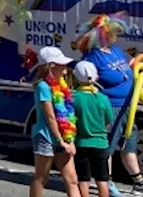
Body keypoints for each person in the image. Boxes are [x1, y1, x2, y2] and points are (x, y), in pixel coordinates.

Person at [79, 15, 143, 194]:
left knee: (128, 147)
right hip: (110, 107)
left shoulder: (115, 51)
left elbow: (125, 70)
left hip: (127, 108)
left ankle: (139, 182)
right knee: (106, 149)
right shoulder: (92, 57)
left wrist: (134, 66)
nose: (114, 36)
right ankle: (106, 182)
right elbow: (86, 80)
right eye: (110, 33)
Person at [29, 46, 81, 197]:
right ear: (51, 66)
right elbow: (50, 116)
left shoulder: (61, 85)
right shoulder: (43, 87)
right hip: (46, 137)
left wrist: (69, 140)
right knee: (41, 177)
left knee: (72, 180)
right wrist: (61, 141)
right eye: (62, 66)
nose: (65, 70)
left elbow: (67, 115)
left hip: (63, 137)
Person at [71, 61, 114, 197]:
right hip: (100, 143)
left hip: (81, 143)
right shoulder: (103, 98)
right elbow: (109, 118)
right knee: (102, 179)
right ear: (95, 78)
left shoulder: (74, 98)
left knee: (83, 179)